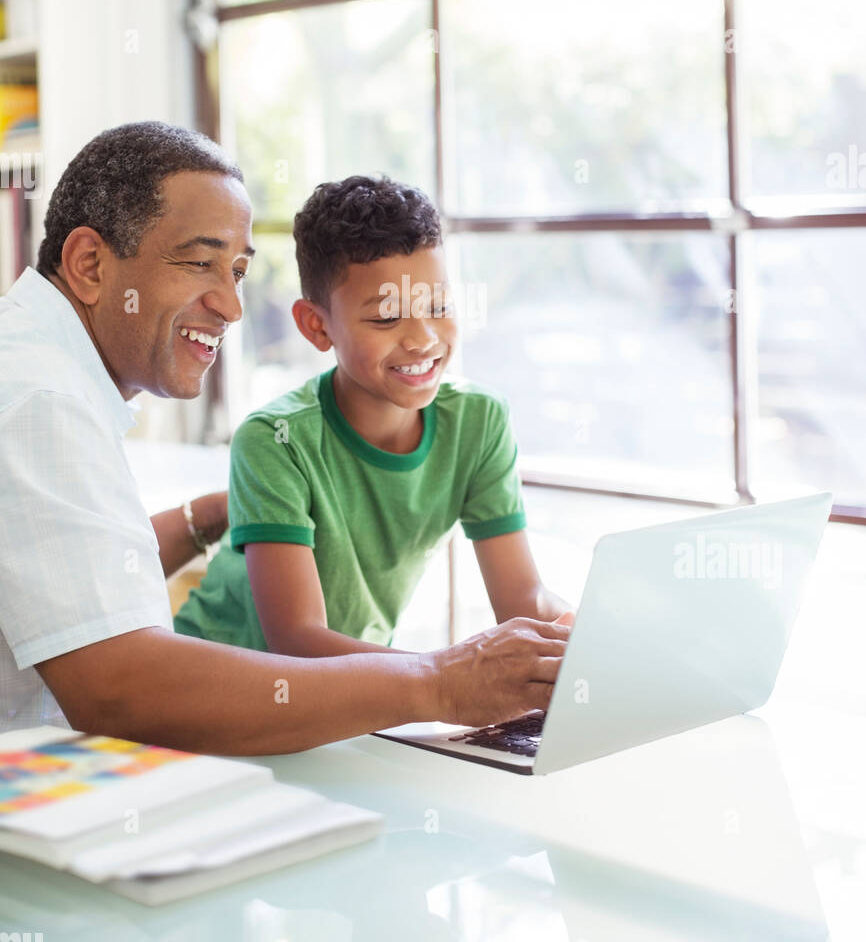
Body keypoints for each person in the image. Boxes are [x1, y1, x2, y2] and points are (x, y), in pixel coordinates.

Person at [0, 123, 568, 752]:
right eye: (198, 262)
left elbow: (84, 573)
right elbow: (115, 687)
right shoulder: (40, 402)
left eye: (238, 272)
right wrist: (437, 682)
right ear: (89, 265)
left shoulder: (40, 373)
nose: (231, 306)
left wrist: (214, 513)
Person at [174, 174, 572, 657]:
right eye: (386, 317)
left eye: (439, 305)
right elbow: (299, 642)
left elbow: (521, 601)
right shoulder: (275, 440)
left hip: (359, 696)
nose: (423, 338)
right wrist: (452, 676)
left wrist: (574, 629)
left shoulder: (478, 422)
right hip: (230, 698)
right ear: (317, 326)